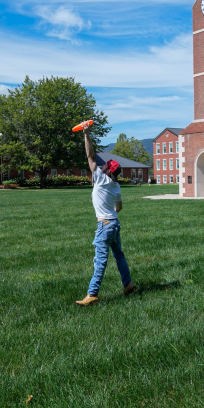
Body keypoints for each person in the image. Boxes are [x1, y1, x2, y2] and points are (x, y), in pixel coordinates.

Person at [76, 124, 135, 306]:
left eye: (105, 166)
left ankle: (92, 294)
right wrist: (110, 215)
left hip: (105, 225)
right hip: (115, 223)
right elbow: (119, 208)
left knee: (100, 260)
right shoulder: (116, 186)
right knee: (119, 256)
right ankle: (128, 285)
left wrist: (86, 134)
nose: (101, 166)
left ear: (108, 171)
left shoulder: (100, 179)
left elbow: (89, 155)